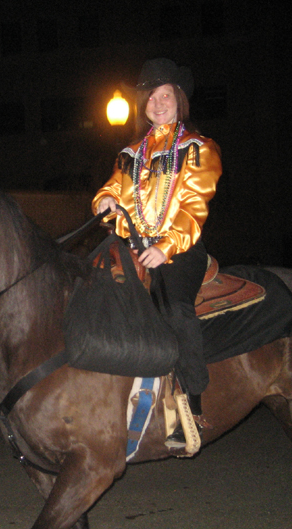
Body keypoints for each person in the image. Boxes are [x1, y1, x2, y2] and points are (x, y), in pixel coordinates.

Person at [92, 58, 222, 447]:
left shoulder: (198, 148)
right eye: (151, 96)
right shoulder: (130, 153)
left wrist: (166, 247)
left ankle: (191, 408)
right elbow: (112, 189)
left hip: (179, 251)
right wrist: (103, 203)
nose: (158, 102)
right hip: (134, 248)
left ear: (179, 101)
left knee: (174, 309)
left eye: (166, 95)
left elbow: (194, 205)